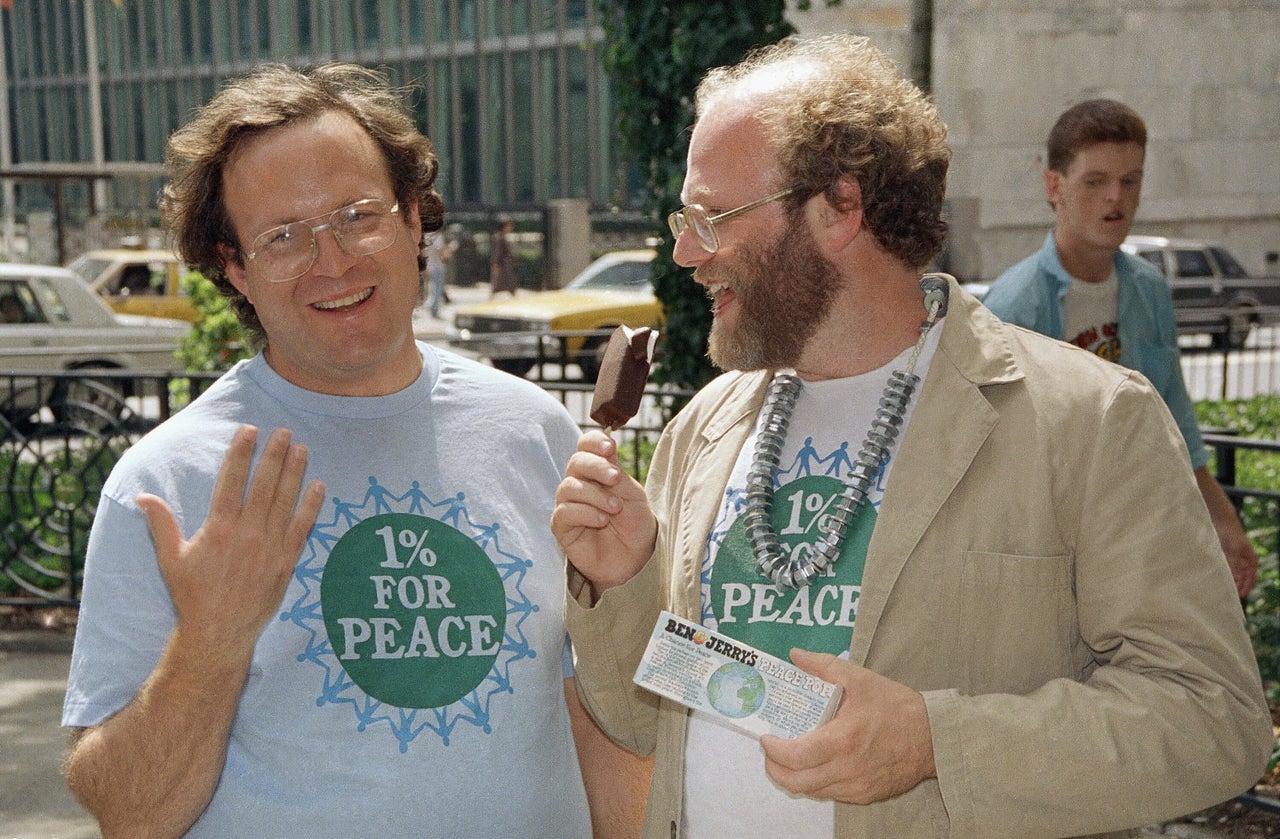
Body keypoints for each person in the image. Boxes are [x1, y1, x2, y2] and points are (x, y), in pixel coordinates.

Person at [551, 34, 1271, 838]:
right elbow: (647, 724)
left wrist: (938, 742)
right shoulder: (702, 429)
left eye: (713, 217)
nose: (685, 252)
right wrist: (624, 585)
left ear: (839, 207)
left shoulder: (1089, 422)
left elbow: (1214, 718)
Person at [61, 63, 649, 838]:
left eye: (356, 215)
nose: (332, 260)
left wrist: (635, 586)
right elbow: (131, 815)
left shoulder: (539, 435)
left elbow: (597, 718)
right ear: (233, 265)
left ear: (412, 220)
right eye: (282, 236)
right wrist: (212, 640)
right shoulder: (170, 480)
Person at [983, 98, 1259, 599]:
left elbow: (1172, 414)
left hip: (1139, 534)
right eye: (1095, 181)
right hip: (1049, 552)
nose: (1116, 198)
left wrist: (1222, 517)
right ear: (1054, 186)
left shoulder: (1148, 289)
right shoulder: (1013, 306)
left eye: (1131, 180)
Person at [425, 228, 455, 318]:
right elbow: (441, 251)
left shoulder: (427, 235)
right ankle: (432, 307)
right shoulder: (437, 236)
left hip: (429, 266)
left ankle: (431, 306)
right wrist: (450, 249)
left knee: (433, 288)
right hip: (437, 267)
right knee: (437, 289)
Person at [489, 215, 517, 299]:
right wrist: (495, 263)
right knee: (501, 283)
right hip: (502, 265)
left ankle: (514, 297)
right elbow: (497, 252)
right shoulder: (500, 238)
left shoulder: (502, 237)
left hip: (505, 265)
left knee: (508, 283)